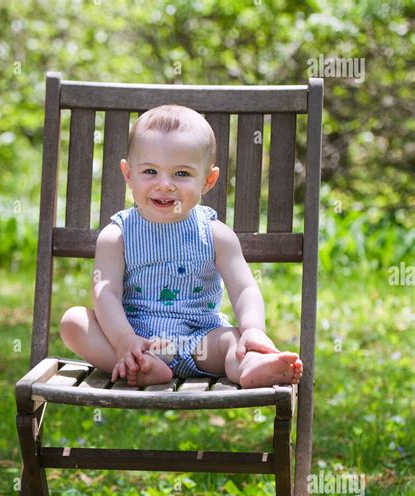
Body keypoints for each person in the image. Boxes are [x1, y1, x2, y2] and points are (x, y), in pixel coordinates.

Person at [59, 104, 303, 388]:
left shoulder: (215, 234)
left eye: (182, 174)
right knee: (74, 322)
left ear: (208, 180)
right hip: (137, 339)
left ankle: (252, 364)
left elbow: (245, 288)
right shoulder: (117, 235)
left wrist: (253, 330)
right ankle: (141, 365)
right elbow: (107, 293)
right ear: (128, 174)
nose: (165, 185)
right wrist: (125, 340)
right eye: (150, 171)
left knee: (232, 342)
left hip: (201, 340)